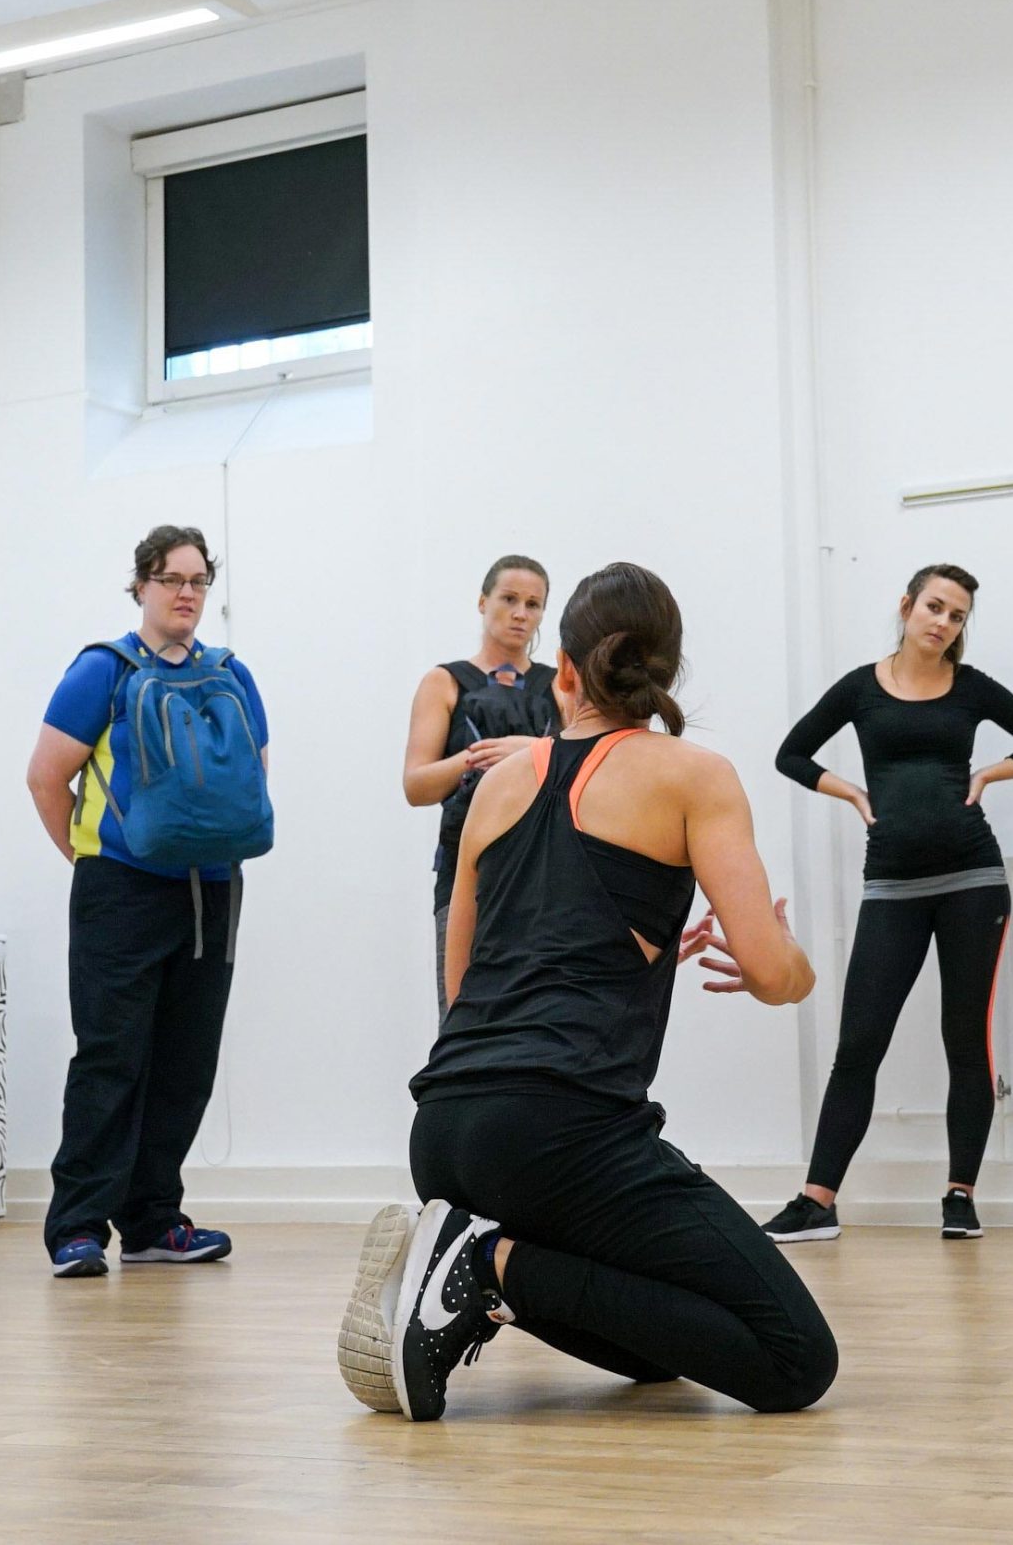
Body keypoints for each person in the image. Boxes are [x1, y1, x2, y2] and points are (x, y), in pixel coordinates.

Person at [337, 562, 836, 1421]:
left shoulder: (498, 782)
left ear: (562, 668)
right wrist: (789, 950)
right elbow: (770, 972)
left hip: (445, 1134)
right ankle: (486, 1265)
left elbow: (461, 989)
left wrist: (613, 950)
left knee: (656, 1358)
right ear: (664, 673)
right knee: (796, 1362)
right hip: (561, 1132)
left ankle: (477, 1255)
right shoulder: (693, 774)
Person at [760, 564, 1013, 1244]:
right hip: (891, 883)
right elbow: (791, 753)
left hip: (973, 881)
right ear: (906, 605)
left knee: (965, 1040)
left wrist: (993, 770)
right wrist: (852, 793)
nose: (943, 622)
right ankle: (817, 1200)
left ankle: (960, 1195)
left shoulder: (972, 687)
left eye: (956, 615)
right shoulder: (861, 688)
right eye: (934, 606)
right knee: (858, 1044)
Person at [25, 524, 268, 1278]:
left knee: (184, 1065)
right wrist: (90, 857)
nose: (187, 592)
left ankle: (156, 1219)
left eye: (199, 580)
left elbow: (253, 773)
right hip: (121, 890)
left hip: (212, 891)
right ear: (141, 585)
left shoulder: (233, 672)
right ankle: (77, 1226)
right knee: (110, 1057)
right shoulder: (101, 671)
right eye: (171, 578)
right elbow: (45, 777)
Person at [400, 555, 558, 1015]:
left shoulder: (561, 686)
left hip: (545, 871)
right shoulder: (445, 681)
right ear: (483, 601)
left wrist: (531, 749)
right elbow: (416, 785)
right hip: (465, 870)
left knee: (538, 1017)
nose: (520, 613)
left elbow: (585, 767)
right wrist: (478, 756)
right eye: (509, 599)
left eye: (533, 604)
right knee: (461, 1014)